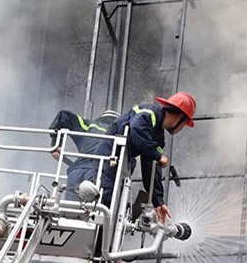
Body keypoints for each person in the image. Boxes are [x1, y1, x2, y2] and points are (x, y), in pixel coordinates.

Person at [84, 92, 196, 224]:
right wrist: (157, 155)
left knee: (114, 209)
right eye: (184, 124)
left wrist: (158, 202)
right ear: (180, 118)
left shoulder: (157, 136)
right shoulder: (149, 113)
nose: (182, 129)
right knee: (106, 202)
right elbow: (137, 129)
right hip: (108, 159)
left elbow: (151, 169)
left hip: (120, 166)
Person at [49, 109, 120, 200]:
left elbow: (63, 116)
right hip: (98, 172)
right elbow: (129, 164)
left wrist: (56, 143)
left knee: (69, 206)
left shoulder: (89, 126)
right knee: (98, 205)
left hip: (76, 171)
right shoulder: (119, 132)